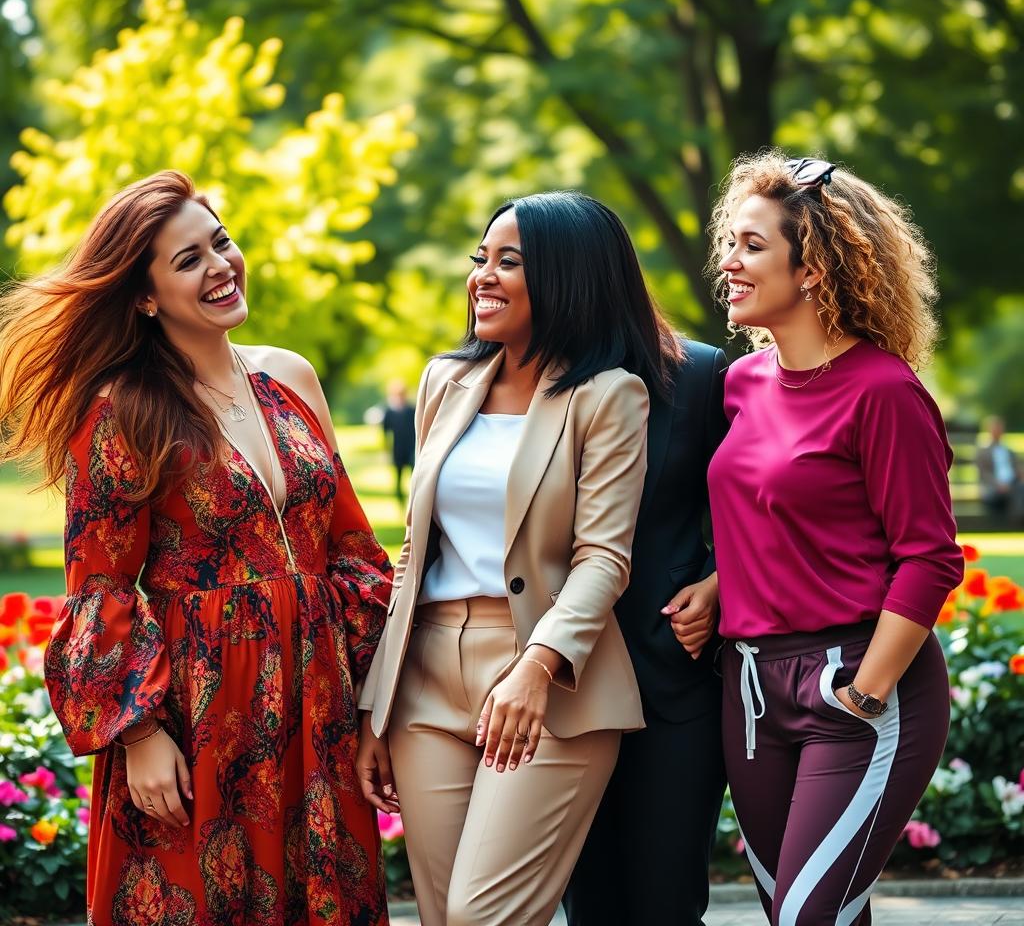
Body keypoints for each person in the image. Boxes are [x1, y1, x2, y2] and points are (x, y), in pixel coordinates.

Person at [0, 171, 393, 925]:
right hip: (201, 711)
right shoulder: (126, 409)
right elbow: (99, 588)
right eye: (187, 261)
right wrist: (140, 735)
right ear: (145, 296)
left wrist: (373, 711)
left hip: (319, 704)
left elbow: (351, 554)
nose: (220, 266)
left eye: (220, 242)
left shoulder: (291, 377)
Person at [355, 191, 655, 926]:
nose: (482, 276)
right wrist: (377, 706)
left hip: (547, 684)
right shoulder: (444, 382)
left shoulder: (610, 397)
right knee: (438, 915)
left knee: (480, 917)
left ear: (567, 278)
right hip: (425, 674)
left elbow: (603, 560)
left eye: (508, 261)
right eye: (480, 258)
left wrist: (535, 668)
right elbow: (414, 551)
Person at [706, 152, 964, 926]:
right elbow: (772, 515)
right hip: (751, 692)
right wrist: (718, 587)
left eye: (752, 246)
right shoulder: (743, 383)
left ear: (812, 266)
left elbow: (929, 555)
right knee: (812, 912)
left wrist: (864, 693)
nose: (730, 262)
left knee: (805, 918)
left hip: (858, 685)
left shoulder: (885, 392)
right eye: (731, 242)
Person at [562, 332, 729, 926]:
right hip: (559, 685)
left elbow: (754, 500)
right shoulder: (519, 371)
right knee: (589, 905)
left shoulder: (699, 373)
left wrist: (717, 584)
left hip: (670, 676)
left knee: (668, 901)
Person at [976, 415, 1022, 519]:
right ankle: (1018, 522)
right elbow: (983, 473)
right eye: (995, 428)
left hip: (1012, 486)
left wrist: (1019, 475)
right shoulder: (983, 452)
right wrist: (998, 484)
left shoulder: (1009, 451)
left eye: (1000, 428)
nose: (998, 431)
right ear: (989, 430)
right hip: (993, 489)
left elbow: (1017, 469)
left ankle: (1018, 520)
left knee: (1019, 490)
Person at [382, 381, 416, 501]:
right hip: (398, 448)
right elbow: (385, 432)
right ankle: (399, 498)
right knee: (398, 476)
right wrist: (386, 450)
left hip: (412, 447)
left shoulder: (412, 410)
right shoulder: (389, 412)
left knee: (414, 476)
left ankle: (413, 499)